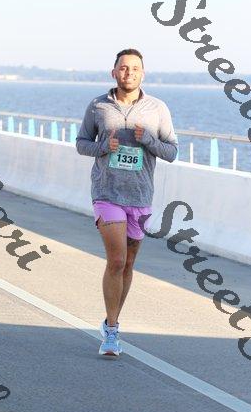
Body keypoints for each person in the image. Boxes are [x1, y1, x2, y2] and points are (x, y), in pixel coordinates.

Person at [76, 48, 178, 356]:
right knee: (117, 260)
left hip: (140, 196)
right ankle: (112, 332)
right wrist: (103, 147)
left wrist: (148, 140)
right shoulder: (98, 106)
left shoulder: (157, 108)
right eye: (123, 68)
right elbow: (81, 143)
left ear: (142, 74)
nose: (128, 73)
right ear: (114, 72)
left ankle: (111, 320)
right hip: (106, 193)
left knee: (129, 263)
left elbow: (172, 151)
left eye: (134, 68)